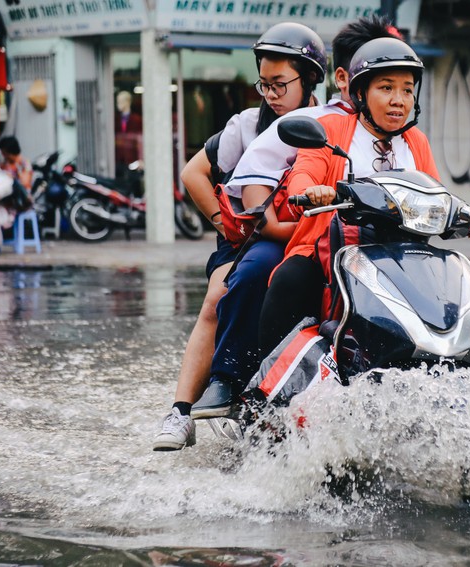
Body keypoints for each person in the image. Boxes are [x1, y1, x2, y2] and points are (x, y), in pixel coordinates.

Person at [188, 16, 404, 420]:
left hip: (374, 243)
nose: (395, 95)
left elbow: (429, 183)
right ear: (345, 78)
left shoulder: (407, 135)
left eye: (402, 85)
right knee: (255, 277)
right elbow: (280, 177)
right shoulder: (316, 123)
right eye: (383, 82)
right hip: (293, 236)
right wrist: (244, 225)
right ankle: (248, 388)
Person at [257, 37, 470, 363]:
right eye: (386, 88)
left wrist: (465, 212)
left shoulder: (416, 142)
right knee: (289, 279)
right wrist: (313, 190)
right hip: (330, 249)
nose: (399, 100)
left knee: (460, 299)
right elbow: (304, 171)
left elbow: (437, 191)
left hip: (405, 256)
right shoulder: (333, 129)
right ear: (361, 93)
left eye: (407, 90)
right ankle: (264, 386)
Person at [152, 22, 328, 451]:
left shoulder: (333, 122)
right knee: (220, 294)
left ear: (309, 81)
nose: (270, 94)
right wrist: (221, 220)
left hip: (317, 237)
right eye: (263, 84)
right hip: (253, 240)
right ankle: (188, 407)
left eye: (279, 84)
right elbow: (193, 172)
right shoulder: (247, 126)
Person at [0, 136, 34, 213]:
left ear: (10, 152)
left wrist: (12, 177)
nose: (4, 156)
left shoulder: (24, 163)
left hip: (22, 197)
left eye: (4, 153)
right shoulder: (5, 164)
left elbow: (25, 182)